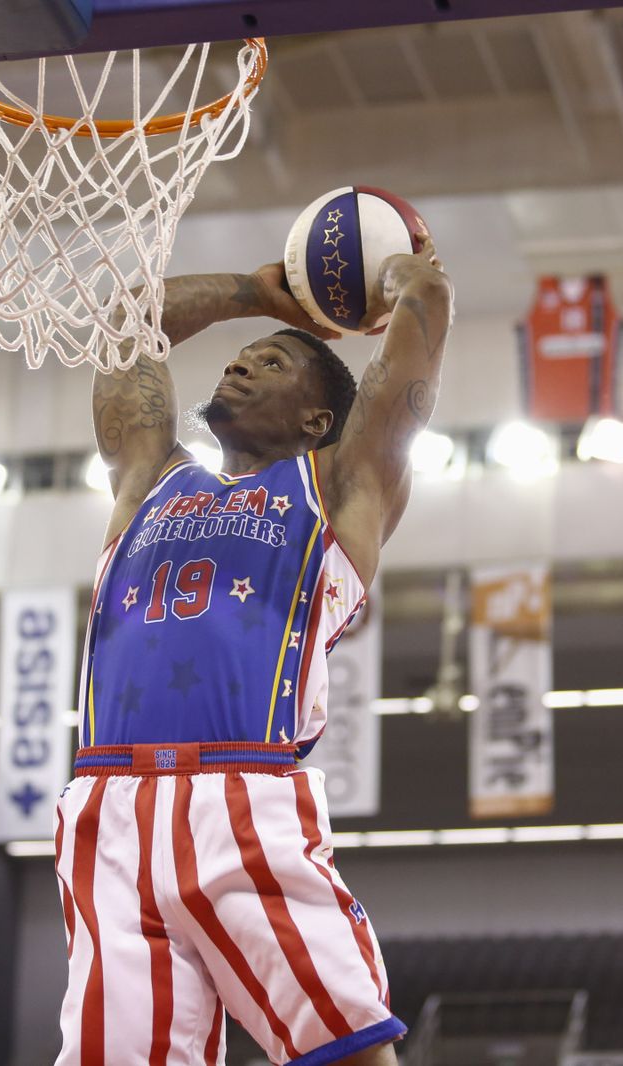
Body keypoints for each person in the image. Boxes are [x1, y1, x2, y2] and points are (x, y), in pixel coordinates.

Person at [55, 235, 452, 1066]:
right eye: (239, 359)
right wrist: (252, 295)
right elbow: (128, 321)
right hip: (106, 810)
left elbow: (415, 339)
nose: (237, 368)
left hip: (240, 796)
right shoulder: (148, 482)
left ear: (318, 418)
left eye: (269, 363)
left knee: (348, 1052)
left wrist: (408, 276)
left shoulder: (340, 488)